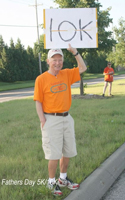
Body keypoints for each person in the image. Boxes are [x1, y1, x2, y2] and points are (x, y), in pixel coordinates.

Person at [34, 44, 87, 196]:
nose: (57, 62)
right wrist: (42, 120)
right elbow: (38, 101)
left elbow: (82, 68)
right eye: (54, 59)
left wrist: (75, 52)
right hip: (51, 119)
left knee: (68, 150)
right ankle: (51, 182)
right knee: (53, 154)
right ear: (48, 61)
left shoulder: (66, 74)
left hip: (67, 118)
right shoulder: (41, 79)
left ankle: (63, 179)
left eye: (60, 59)